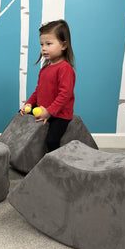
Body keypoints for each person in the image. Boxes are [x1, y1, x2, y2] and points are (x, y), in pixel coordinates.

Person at [20, 20, 76, 152]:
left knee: (52, 140)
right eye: (42, 44)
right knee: (21, 114)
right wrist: (29, 103)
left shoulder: (65, 68)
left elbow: (65, 95)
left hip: (60, 114)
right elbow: (38, 90)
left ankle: (54, 164)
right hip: (43, 108)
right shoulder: (45, 68)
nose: (44, 48)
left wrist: (50, 112)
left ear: (63, 45)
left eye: (48, 44)